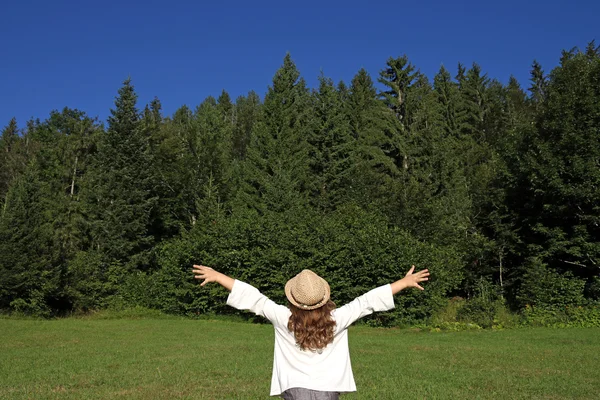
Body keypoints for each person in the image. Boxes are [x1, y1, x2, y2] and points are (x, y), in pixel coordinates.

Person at [192, 264, 429, 399]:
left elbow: (255, 299)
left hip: (295, 390)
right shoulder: (337, 318)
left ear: (293, 300)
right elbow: (366, 302)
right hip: (328, 390)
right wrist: (404, 282)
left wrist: (217, 276)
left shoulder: (283, 317)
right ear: (324, 299)